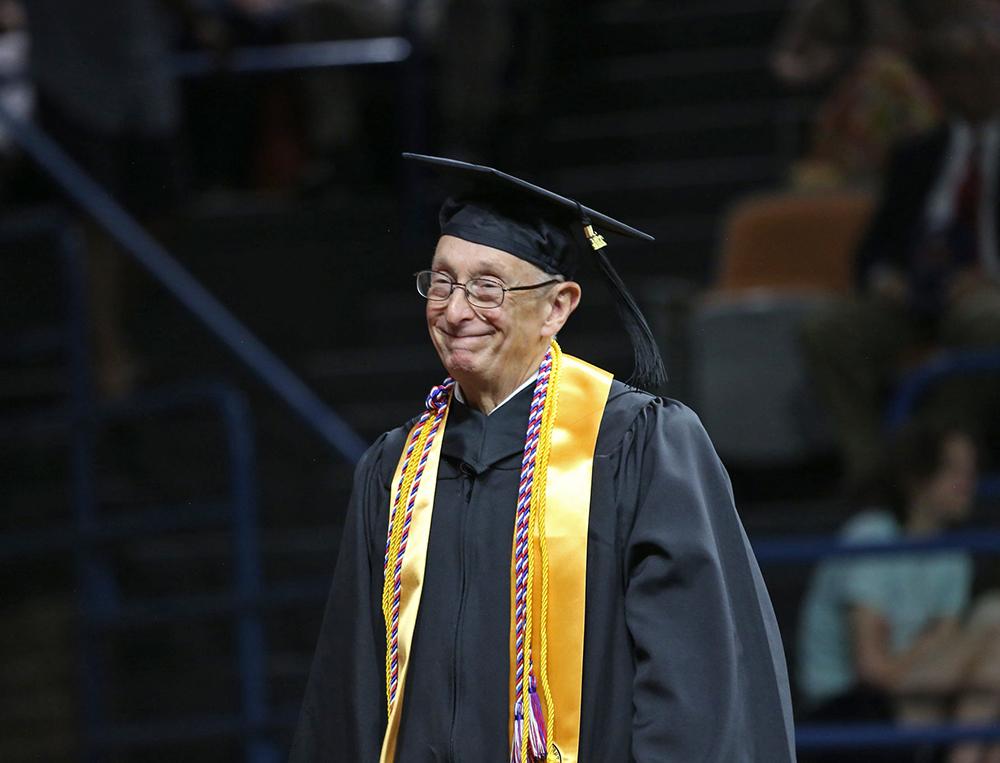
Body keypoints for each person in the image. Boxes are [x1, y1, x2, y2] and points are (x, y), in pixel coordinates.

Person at [290, 154, 796, 762]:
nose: (454, 311)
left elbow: (696, 688)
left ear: (557, 306)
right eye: (443, 282)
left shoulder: (637, 447)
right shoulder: (393, 471)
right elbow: (348, 695)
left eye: (487, 287)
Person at [800, 20, 1000, 485]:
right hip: (912, 295)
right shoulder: (918, 153)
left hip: (983, 294)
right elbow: (871, 251)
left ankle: (936, 464)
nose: (966, 83)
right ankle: (873, 479)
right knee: (825, 330)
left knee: (989, 321)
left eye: (978, 70)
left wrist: (989, 278)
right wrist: (883, 277)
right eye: (953, 72)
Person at [798, 423, 1000, 763]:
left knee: (995, 619)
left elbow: (941, 645)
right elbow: (872, 670)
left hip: (915, 695)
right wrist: (929, 645)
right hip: (849, 706)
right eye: (953, 469)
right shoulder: (871, 537)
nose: (968, 484)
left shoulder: (954, 555)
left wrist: (932, 649)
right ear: (918, 477)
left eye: (971, 470)